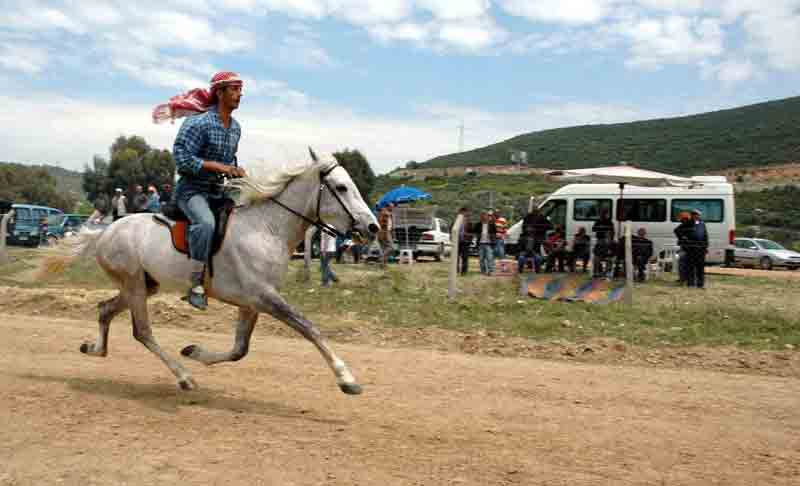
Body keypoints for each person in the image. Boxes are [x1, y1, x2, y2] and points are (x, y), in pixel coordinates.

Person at [155, 71, 247, 310]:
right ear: (219, 92)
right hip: (191, 191)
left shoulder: (236, 128)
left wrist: (235, 170)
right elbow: (182, 158)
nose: (240, 94)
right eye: (234, 89)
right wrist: (215, 166)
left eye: (240, 89)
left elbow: (229, 160)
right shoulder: (198, 122)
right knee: (205, 223)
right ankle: (195, 283)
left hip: (218, 191)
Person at [685, 209, 708, 288]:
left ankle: (700, 284)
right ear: (692, 215)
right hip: (691, 248)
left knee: (700, 267)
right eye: (695, 215)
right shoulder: (687, 223)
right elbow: (677, 231)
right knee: (691, 266)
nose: (697, 216)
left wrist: (705, 246)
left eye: (698, 215)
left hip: (701, 248)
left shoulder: (702, 223)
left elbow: (705, 235)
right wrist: (684, 241)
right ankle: (690, 283)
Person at [592, 209, 615, 277]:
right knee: (596, 257)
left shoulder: (609, 222)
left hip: (607, 241)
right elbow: (593, 229)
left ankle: (606, 272)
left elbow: (612, 232)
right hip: (600, 240)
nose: (604, 215)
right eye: (603, 213)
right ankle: (597, 272)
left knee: (609, 258)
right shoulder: (598, 221)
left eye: (605, 213)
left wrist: (610, 240)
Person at [674, 211, 693, 284]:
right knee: (682, 263)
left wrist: (684, 236)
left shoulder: (691, 225)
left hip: (690, 248)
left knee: (685, 263)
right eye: (682, 220)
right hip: (684, 247)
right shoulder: (683, 226)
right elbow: (676, 230)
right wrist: (682, 236)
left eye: (682, 219)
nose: (682, 221)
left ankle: (685, 278)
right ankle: (682, 278)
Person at [377, 202, 394, 268]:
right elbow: (382, 222)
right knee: (391, 247)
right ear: (388, 207)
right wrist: (389, 214)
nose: (392, 208)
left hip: (385, 232)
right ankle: (382, 258)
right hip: (384, 232)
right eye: (391, 207)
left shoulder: (387, 213)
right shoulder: (385, 213)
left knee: (384, 248)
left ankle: (383, 264)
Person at [457, 207, 471, 275]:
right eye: (461, 212)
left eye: (464, 212)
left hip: (465, 242)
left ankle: (464, 272)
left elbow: (472, 232)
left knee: (465, 257)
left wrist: (468, 236)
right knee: (456, 257)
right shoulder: (456, 221)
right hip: (457, 241)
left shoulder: (469, 222)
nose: (463, 214)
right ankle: (456, 270)